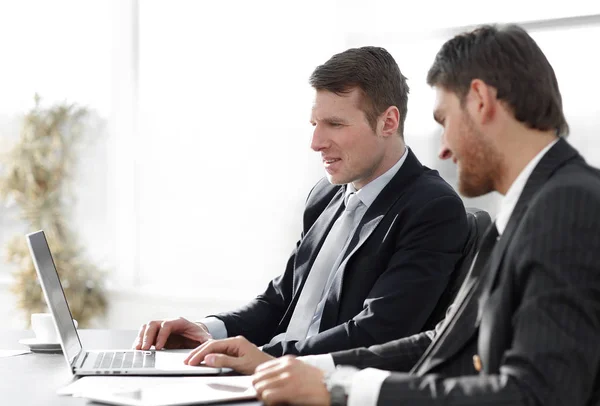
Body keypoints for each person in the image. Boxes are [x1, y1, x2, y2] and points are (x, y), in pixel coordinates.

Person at [185, 24, 600, 405]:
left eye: (444, 120)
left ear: (480, 101)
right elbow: (445, 340)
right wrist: (320, 375)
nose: (443, 148)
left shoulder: (566, 205)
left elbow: (539, 394)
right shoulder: (536, 205)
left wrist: (342, 389)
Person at [134, 46, 469, 357]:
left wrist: (264, 359)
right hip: (268, 377)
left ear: (388, 122)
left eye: (334, 124)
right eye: (314, 124)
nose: (316, 142)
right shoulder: (324, 196)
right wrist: (208, 329)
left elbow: (380, 331)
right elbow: (281, 299)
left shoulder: (432, 207)